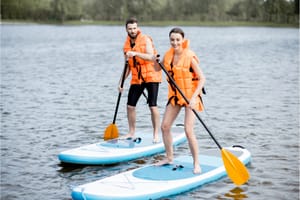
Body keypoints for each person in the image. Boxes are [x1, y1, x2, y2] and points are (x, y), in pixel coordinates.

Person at [156, 27, 206, 174]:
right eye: (172, 39)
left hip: (191, 96)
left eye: (178, 39)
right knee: (165, 126)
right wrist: (155, 61)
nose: (175, 42)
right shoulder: (168, 55)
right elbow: (157, 69)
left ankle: (197, 163)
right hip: (176, 96)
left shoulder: (189, 56)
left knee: (188, 130)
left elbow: (202, 78)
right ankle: (169, 157)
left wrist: (193, 97)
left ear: (183, 40)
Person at [119, 17, 162, 143]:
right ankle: (131, 132)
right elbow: (127, 67)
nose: (132, 31)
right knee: (130, 106)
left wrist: (136, 53)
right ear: (126, 29)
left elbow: (151, 57)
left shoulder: (146, 39)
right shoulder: (126, 45)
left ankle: (156, 134)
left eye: (134, 28)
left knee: (152, 106)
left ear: (137, 28)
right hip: (137, 77)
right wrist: (120, 82)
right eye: (130, 29)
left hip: (151, 76)